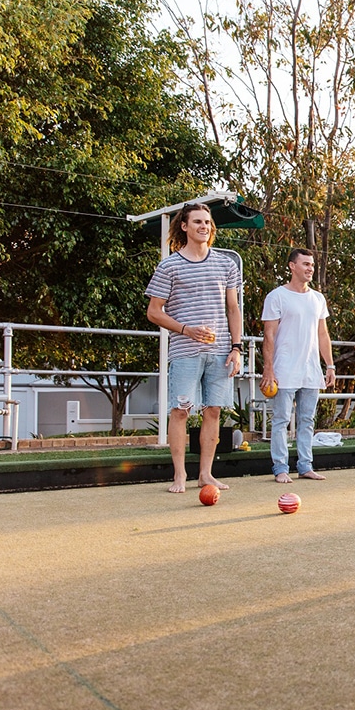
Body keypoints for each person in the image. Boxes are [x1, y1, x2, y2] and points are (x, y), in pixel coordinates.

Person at [145, 202, 243, 493]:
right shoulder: (169, 265)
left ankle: (206, 475)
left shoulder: (227, 264)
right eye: (198, 221)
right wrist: (187, 329)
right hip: (184, 351)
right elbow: (154, 312)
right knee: (181, 411)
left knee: (213, 411)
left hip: (220, 351)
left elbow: (233, 309)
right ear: (184, 227)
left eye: (208, 222)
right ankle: (179, 475)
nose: (204, 226)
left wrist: (236, 348)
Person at [260, 248, 335, 483]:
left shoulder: (317, 298)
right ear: (292, 266)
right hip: (283, 370)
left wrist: (330, 366)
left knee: (307, 420)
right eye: (305, 264)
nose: (310, 268)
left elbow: (323, 334)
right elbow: (269, 336)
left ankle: (305, 466)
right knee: (281, 420)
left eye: (312, 264)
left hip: (311, 371)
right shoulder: (276, 297)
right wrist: (269, 369)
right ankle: (280, 468)